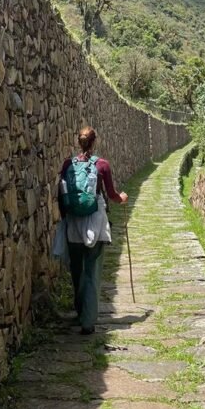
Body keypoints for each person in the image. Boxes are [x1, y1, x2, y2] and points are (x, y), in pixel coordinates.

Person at [59, 125, 128, 335]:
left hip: (74, 225)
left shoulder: (67, 164)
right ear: (94, 141)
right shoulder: (102, 165)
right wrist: (122, 198)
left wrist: (67, 219)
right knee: (92, 272)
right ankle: (88, 321)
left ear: (79, 142)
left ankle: (81, 312)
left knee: (77, 272)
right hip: (95, 224)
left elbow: (60, 194)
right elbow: (112, 194)